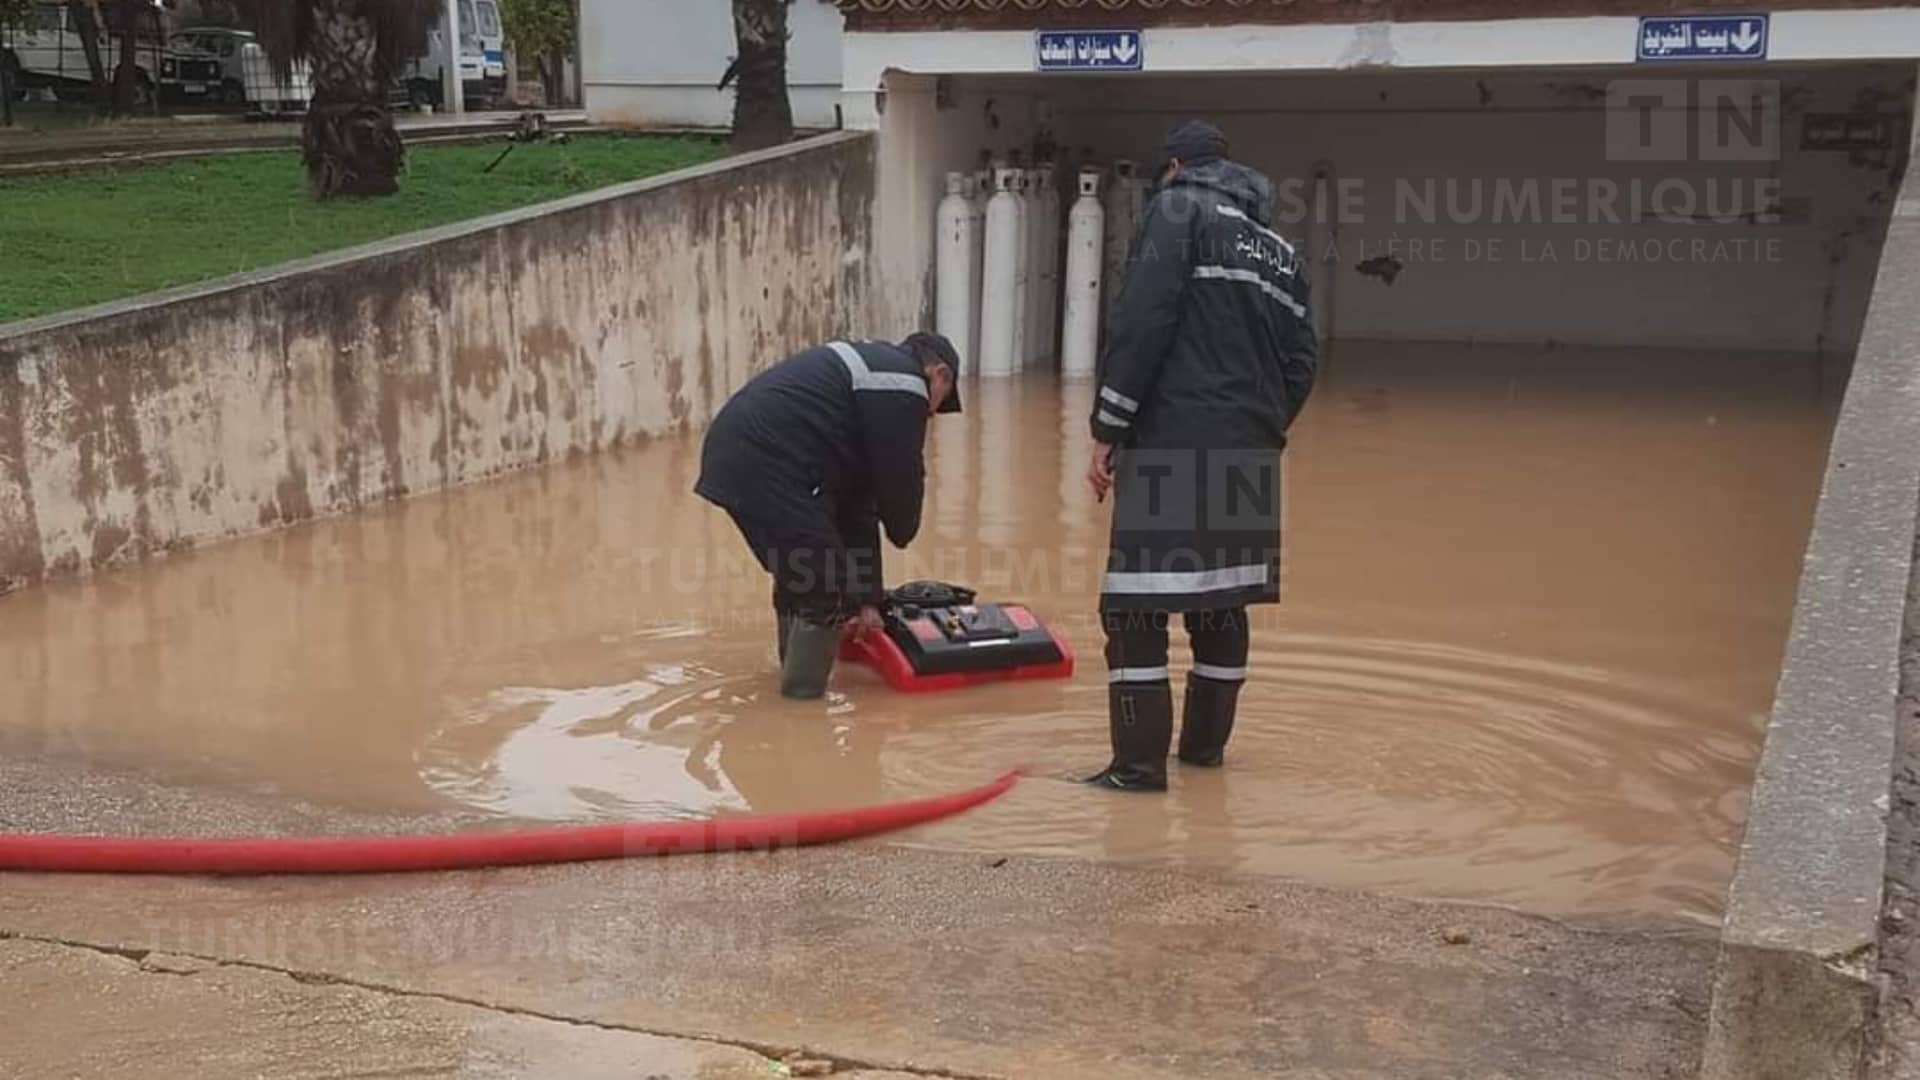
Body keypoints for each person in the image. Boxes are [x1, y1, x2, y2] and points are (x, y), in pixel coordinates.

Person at [1084, 120, 1318, 792]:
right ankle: (1204, 758)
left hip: (1174, 442)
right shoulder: (1279, 249)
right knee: (1220, 603)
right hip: (1250, 448)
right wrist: (1262, 424)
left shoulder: (1177, 210)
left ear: (1175, 167)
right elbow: (1303, 362)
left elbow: (1143, 320)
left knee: (1133, 609)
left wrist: (1108, 426)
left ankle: (1136, 771)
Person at [696, 333, 962, 699]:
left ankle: (789, 680)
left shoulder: (870, 377)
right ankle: (800, 716)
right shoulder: (904, 383)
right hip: (769, 460)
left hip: (736, 452)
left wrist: (868, 599)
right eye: (937, 405)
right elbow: (901, 507)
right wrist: (901, 524)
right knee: (829, 589)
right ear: (940, 375)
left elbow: (859, 509)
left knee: (803, 573)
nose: (929, 415)